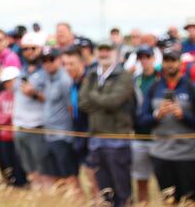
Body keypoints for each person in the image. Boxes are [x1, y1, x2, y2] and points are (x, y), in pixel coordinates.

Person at [79, 41, 135, 207]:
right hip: (96, 139)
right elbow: (82, 103)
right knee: (105, 190)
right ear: (96, 53)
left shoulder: (124, 75)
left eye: (107, 50)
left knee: (122, 190)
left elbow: (114, 101)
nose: (104, 54)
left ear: (115, 53)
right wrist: (100, 100)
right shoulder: (92, 75)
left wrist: (94, 95)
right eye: (101, 51)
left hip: (117, 139)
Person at [137, 48, 195, 204]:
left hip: (187, 155)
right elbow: (142, 120)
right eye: (166, 61)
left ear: (180, 63)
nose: (170, 64)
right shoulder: (154, 88)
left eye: (173, 60)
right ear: (162, 63)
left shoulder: (190, 87)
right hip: (161, 154)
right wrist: (158, 114)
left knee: (189, 200)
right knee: (169, 201)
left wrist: (183, 115)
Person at [37, 48, 79, 193]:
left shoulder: (65, 80)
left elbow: (71, 108)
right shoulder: (48, 78)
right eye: (44, 60)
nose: (47, 63)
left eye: (51, 59)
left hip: (62, 136)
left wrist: (71, 134)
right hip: (49, 135)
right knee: (54, 177)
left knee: (70, 177)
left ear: (58, 60)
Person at [62, 46, 98, 202]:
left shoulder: (89, 82)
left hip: (91, 136)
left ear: (82, 64)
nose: (68, 67)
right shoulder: (73, 83)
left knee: (94, 181)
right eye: (65, 64)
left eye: (72, 63)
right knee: (75, 179)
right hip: (77, 134)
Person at [13, 31, 47, 188]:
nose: (29, 52)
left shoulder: (46, 71)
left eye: (33, 48)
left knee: (42, 170)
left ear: (40, 48)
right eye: (25, 48)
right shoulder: (22, 70)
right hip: (20, 127)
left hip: (37, 127)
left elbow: (52, 99)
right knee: (29, 170)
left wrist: (34, 93)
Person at [0, 65, 27, 187]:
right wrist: (10, 116)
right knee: (7, 166)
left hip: (20, 137)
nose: (8, 84)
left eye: (10, 81)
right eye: (6, 82)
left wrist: (8, 117)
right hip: (5, 137)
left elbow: (23, 115)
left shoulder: (23, 95)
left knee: (20, 167)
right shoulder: (1, 97)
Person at [131, 45, 159, 204]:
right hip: (140, 136)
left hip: (159, 137)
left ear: (153, 58)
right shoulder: (136, 80)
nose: (144, 61)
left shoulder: (161, 79)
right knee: (141, 180)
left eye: (147, 57)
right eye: (140, 57)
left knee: (164, 181)